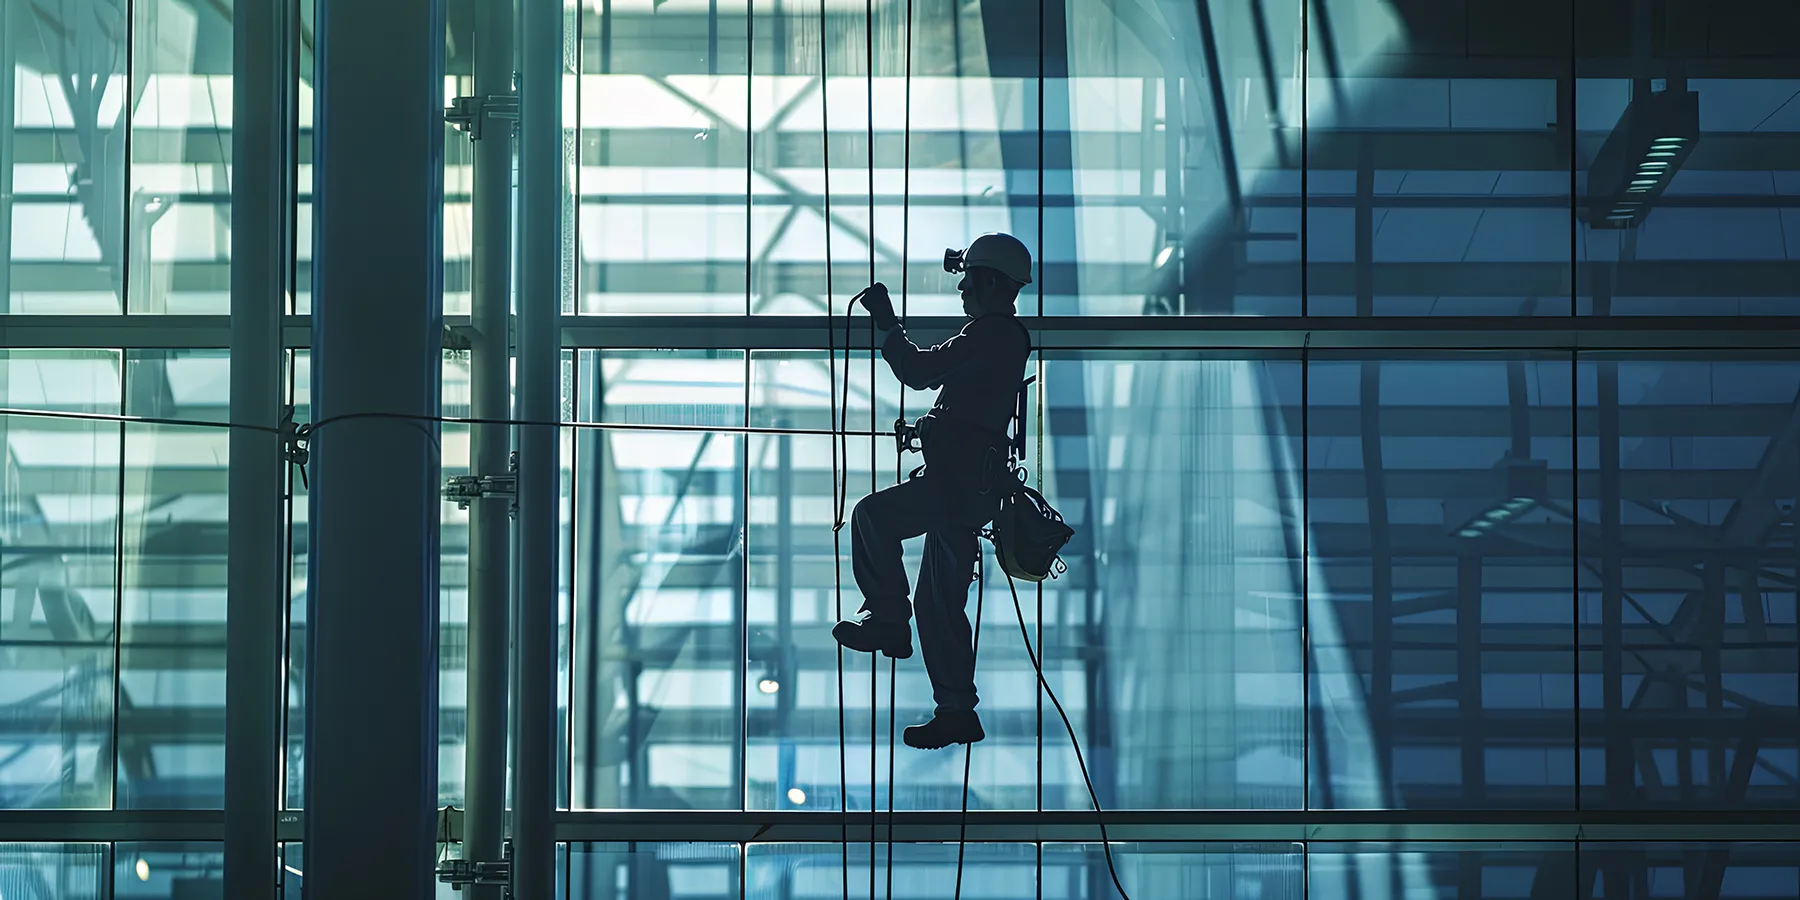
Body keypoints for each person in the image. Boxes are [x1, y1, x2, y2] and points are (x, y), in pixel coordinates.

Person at [831, 232, 1034, 750]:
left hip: (955, 485)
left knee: (874, 517)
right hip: (967, 489)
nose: (962, 289)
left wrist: (887, 324)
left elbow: (919, 371)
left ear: (992, 282)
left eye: (969, 279)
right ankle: (956, 711)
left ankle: (887, 618)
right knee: (939, 606)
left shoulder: (992, 334)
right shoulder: (1001, 339)